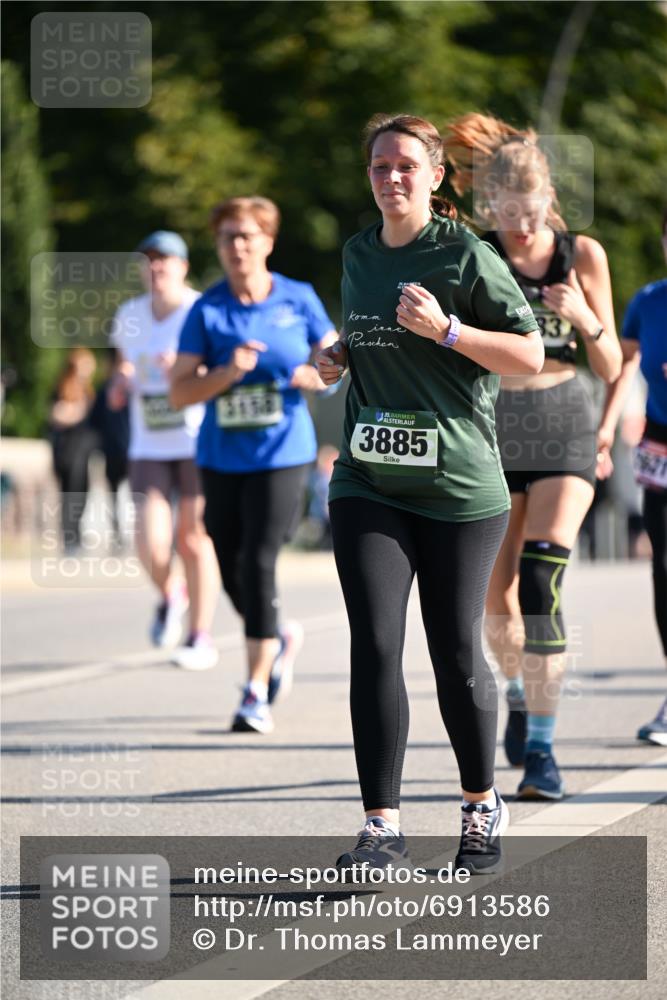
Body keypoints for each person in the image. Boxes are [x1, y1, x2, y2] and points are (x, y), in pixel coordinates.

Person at [316, 114, 544, 875]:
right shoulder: (355, 255)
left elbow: (526, 351)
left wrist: (447, 332)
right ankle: (380, 828)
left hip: (456, 488)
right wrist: (336, 354)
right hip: (367, 480)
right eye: (379, 166)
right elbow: (368, 336)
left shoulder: (465, 256)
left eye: (407, 166)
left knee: (453, 652)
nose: (391, 179)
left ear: (436, 177)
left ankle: (479, 805)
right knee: (376, 645)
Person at [442, 113, 622, 799]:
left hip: (562, 419)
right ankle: (515, 694)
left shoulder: (582, 255)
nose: (520, 227)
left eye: (531, 212)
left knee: (542, 582)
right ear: (489, 206)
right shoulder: (476, 253)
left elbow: (607, 366)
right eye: (506, 213)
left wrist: (582, 318)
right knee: (496, 593)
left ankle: (543, 753)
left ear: (550, 202)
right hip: (489, 426)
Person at [170, 196, 337, 733]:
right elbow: (178, 392)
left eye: (247, 236)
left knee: (259, 560)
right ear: (217, 247)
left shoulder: (298, 298)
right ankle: (278, 634)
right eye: (227, 238)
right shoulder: (208, 310)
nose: (238, 246)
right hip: (221, 457)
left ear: (267, 241)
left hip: (285, 453)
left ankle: (254, 690)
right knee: (230, 565)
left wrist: (316, 376)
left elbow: (336, 361)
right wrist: (227, 372)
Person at [108, 230, 220, 671]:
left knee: (193, 539)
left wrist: (189, 369)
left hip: (195, 439)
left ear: (183, 267)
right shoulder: (129, 314)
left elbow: (220, 369)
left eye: (165, 261)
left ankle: (200, 635)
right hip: (148, 443)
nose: (156, 269)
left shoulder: (200, 310)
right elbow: (123, 362)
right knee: (149, 544)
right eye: (150, 261)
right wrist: (120, 381)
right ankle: (172, 593)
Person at [597, 211, 667, 745]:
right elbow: (625, 365)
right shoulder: (647, 300)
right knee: (662, 570)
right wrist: (605, 426)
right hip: (660, 444)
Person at [48, 347, 98, 552]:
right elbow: (56, 414)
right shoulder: (63, 387)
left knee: (82, 492)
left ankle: (77, 535)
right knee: (69, 493)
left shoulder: (88, 390)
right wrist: (77, 411)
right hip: (66, 450)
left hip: (83, 449)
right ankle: (69, 538)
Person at [89, 348, 130, 550]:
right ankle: (118, 536)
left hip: (127, 450)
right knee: (115, 497)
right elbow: (94, 422)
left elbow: (93, 423)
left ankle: (127, 536)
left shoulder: (133, 387)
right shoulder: (106, 389)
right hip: (116, 450)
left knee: (133, 496)